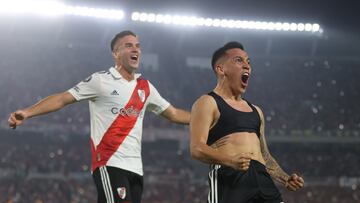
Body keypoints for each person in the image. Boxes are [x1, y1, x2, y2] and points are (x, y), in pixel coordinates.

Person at [8, 30, 190, 203]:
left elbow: (173, 113)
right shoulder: (101, 80)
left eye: (138, 45)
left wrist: (209, 118)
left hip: (136, 170)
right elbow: (63, 98)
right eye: (128, 45)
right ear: (116, 53)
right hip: (110, 164)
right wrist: (27, 112)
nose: (135, 49)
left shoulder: (146, 87)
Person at [190, 41, 304, 203]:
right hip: (230, 179)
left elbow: (264, 155)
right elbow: (196, 149)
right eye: (239, 60)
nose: (247, 66)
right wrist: (230, 160)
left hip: (263, 181)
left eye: (248, 62)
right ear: (221, 69)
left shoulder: (256, 110)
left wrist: (285, 178)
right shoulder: (207, 102)